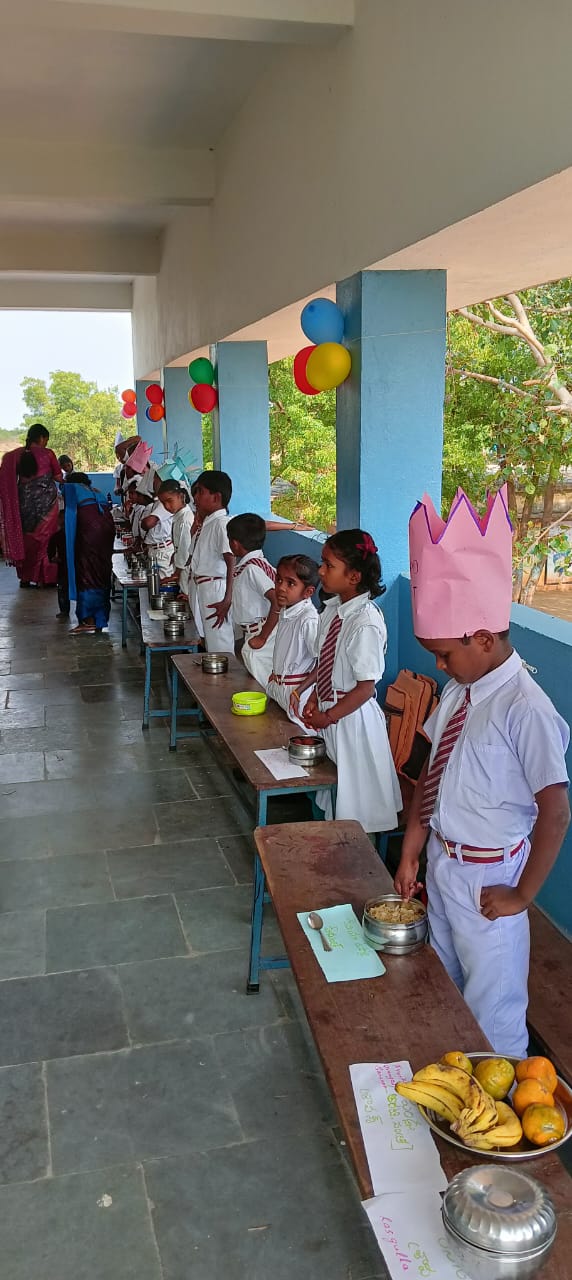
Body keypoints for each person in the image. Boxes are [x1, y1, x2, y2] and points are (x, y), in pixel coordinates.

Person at [394, 486, 570, 1056]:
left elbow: (556, 810)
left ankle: (491, 1123)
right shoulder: (459, 692)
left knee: (493, 1012)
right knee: (441, 984)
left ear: (486, 638)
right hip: (444, 863)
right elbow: (431, 776)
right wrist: (412, 849)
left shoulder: (526, 708)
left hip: (490, 881)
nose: (440, 666)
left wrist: (521, 894)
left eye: (445, 654)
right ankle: (448, 1086)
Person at [295, 528, 402, 834]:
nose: (321, 571)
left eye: (329, 565)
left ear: (354, 577)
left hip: (353, 721)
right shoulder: (333, 611)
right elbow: (325, 663)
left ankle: (359, 872)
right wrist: (315, 699)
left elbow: (366, 688)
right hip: (332, 715)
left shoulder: (365, 621)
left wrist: (327, 716)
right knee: (337, 796)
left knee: (357, 812)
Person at [0, 424, 62, 587]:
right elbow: (58, 476)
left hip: (24, 506)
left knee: (28, 539)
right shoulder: (48, 454)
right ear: (41, 438)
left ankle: (26, 578)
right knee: (45, 540)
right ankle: (45, 578)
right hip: (47, 506)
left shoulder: (15, 455)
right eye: (46, 440)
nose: (46, 443)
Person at [267, 554, 320, 731]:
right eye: (279, 579)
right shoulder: (287, 610)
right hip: (280, 688)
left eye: (290, 583)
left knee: (301, 736)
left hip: (298, 694)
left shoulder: (308, 619)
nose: (281, 587)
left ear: (308, 592)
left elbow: (324, 662)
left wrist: (300, 690)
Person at [227, 513, 277, 685]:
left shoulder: (252, 569)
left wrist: (262, 637)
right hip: (255, 631)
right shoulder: (256, 564)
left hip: (261, 631)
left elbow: (277, 600)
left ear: (234, 543)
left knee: (260, 680)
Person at [63, 472, 115, 634]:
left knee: (86, 574)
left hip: (88, 535)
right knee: (102, 574)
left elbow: (69, 516)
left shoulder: (71, 488)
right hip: (106, 535)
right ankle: (100, 620)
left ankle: (88, 620)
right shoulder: (96, 491)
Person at [190, 470, 234, 653]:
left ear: (216, 497)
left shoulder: (221, 524)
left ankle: (225, 681)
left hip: (215, 589)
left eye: (200, 492)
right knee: (207, 640)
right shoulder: (207, 523)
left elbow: (231, 559)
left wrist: (227, 599)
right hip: (202, 586)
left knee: (219, 643)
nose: (196, 497)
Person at [158, 480, 194, 597]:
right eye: (163, 503)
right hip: (180, 568)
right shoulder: (178, 517)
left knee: (186, 595)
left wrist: (175, 574)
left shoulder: (185, 519)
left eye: (169, 501)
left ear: (181, 496)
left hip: (185, 570)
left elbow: (185, 551)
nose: (167, 506)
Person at [139, 491, 174, 579]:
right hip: (154, 549)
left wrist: (143, 522)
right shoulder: (156, 503)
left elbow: (148, 523)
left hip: (162, 551)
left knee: (161, 584)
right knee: (152, 583)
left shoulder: (164, 503)